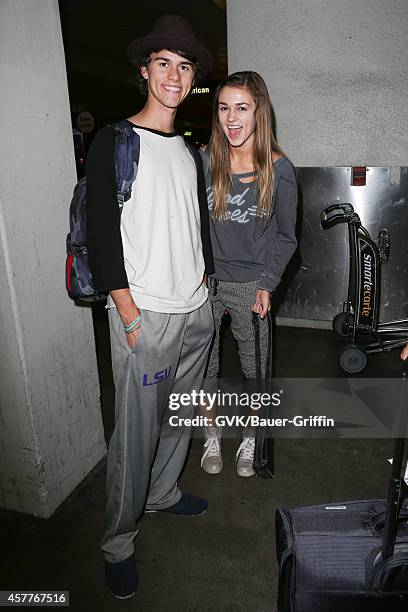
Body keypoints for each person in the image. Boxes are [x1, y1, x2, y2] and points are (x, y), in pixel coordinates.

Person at [86, 15, 215, 599]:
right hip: (148, 316)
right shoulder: (114, 140)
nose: (175, 75)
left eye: (185, 66)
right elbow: (102, 236)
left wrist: (206, 288)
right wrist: (129, 314)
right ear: (145, 71)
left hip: (195, 311)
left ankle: (163, 494)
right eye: (164, 62)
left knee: (182, 416)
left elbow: (195, 227)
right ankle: (118, 541)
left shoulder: (188, 148)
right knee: (135, 435)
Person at [200, 71, 298, 477]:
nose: (232, 118)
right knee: (202, 365)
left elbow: (286, 237)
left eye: (242, 108)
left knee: (254, 371)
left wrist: (267, 283)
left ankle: (251, 437)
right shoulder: (206, 160)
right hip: (206, 284)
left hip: (250, 285)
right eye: (224, 108)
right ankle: (211, 433)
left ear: (259, 113)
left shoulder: (279, 168)